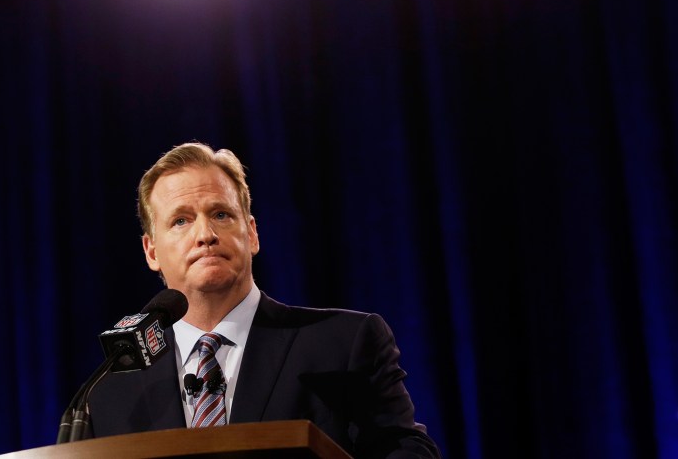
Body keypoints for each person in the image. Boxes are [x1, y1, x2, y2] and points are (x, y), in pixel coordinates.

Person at [88, 142, 441, 458]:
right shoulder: (111, 392)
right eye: (181, 220)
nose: (206, 235)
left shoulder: (344, 341)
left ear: (252, 233)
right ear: (151, 251)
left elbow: (405, 449)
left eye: (221, 214)